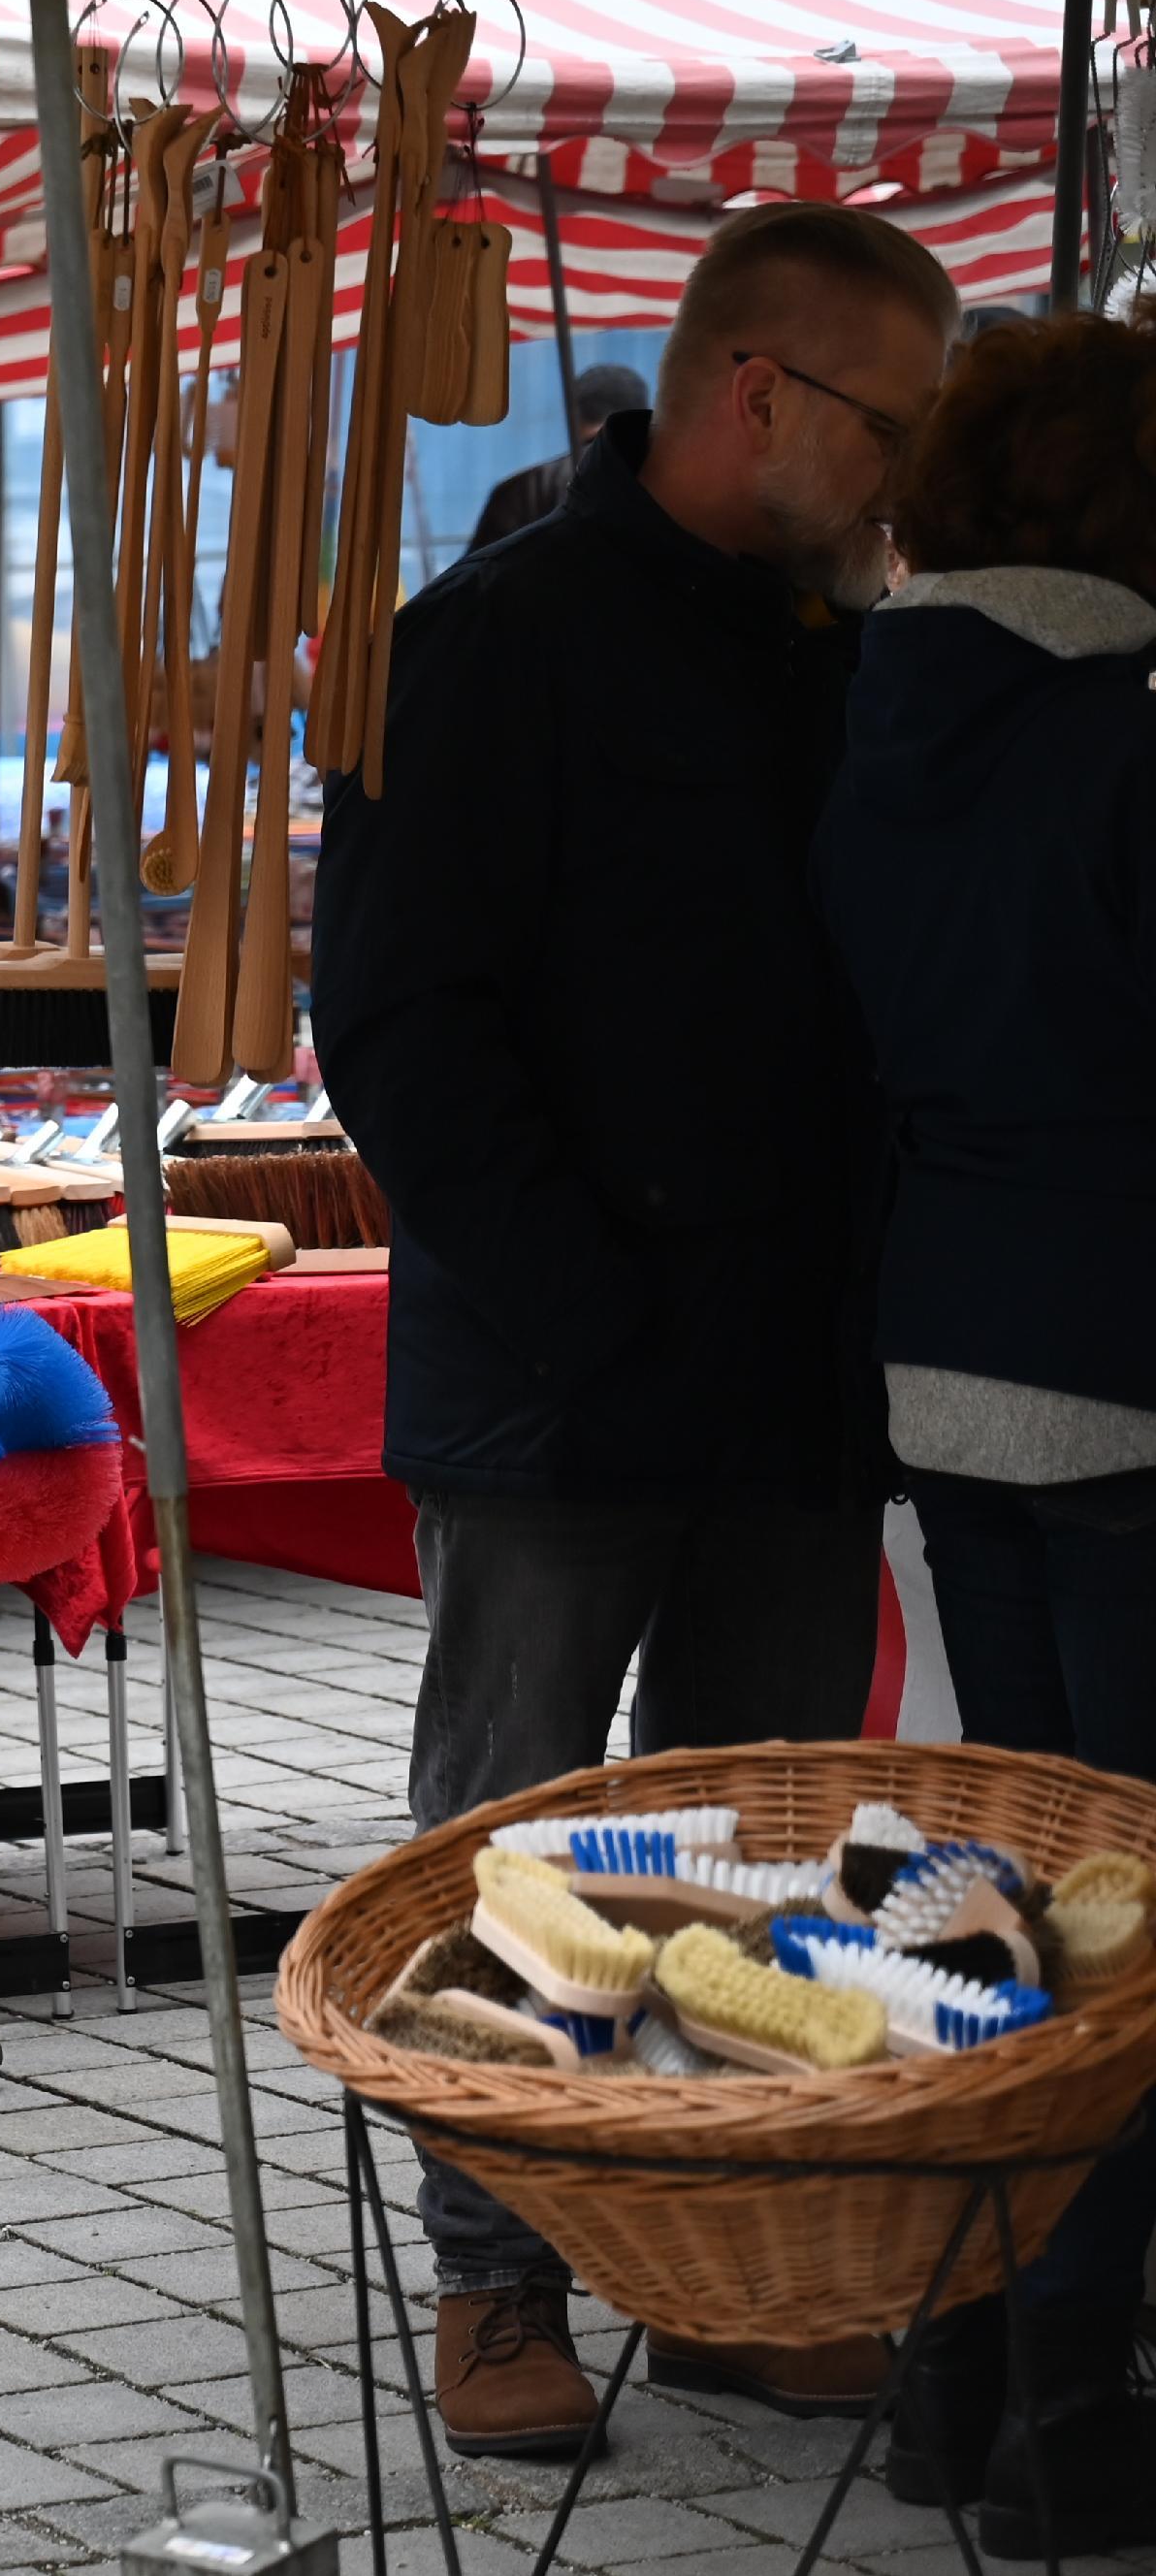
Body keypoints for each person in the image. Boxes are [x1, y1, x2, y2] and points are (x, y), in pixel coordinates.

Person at [313, 198, 956, 2455]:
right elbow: (394, 1022)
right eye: (893, 422)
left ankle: (724, 2258)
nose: (911, 474)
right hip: (559, 1369)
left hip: (793, 1358)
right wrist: (585, 1300)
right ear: (762, 391)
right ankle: (492, 2276)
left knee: (768, 1833)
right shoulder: (493, 637)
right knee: (519, 1834)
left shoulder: (848, 643)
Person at [814, 314, 1156, 2553]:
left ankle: (958, 2363)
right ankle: (1062, 2397)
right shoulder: (1121, 731)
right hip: (1119, 1351)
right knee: (1125, 1903)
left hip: (944, 1339)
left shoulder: (883, 709)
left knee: (1024, 1875)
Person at [462, 361, 650, 555]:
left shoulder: (522, 490)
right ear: (644, 414)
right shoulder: (669, 482)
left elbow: (476, 577)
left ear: (574, 415)